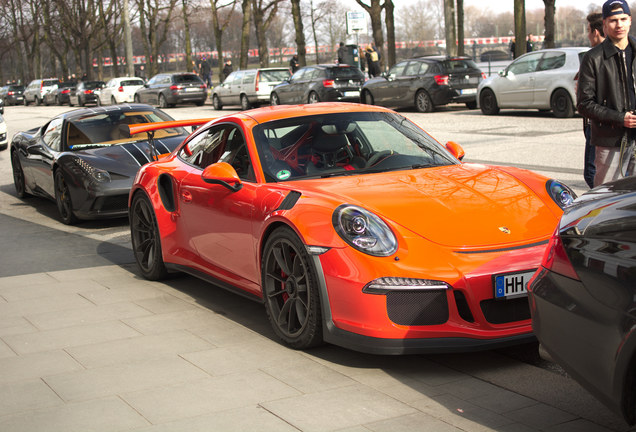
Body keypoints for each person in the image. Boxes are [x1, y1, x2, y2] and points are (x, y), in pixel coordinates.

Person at [577, 0, 636, 187]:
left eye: (623, 19)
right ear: (604, 24)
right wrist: (620, 118)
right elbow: (584, 103)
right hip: (609, 140)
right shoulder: (592, 58)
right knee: (607, 197)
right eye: (613, 20)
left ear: (630, 20)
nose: (619, 25)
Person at [580, 12, 606, 188]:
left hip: (599, 122)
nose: (588, 35)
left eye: (589, 30)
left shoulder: (593, 57)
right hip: (601, 121)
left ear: (596, 32)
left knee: (592, 174)